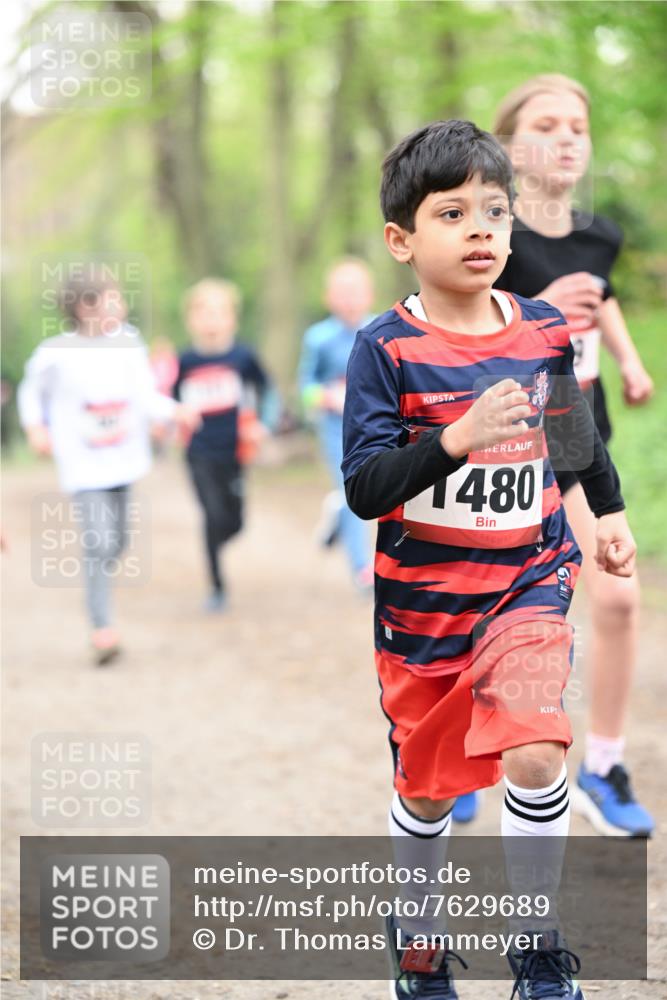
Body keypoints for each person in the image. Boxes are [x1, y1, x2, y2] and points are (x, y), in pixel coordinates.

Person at [342, 119, 636, 1000]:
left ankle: (535, 946)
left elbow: (573, 436)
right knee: (429, 794)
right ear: (401, 239)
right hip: (424, 611)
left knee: (539, 750)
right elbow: (365, 485)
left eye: (495, 211)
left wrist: (609, 515)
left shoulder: (543, 330)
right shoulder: (383, 349)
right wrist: (455, 439)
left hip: (527, 580)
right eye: (452, 212)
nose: (480, 228)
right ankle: (419, 940)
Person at [489, 74, 654, 837]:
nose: (565, 138)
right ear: (509, 144)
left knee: (617, 599)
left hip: (578, 443)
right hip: (500, 456)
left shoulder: (597, 233)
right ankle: (459, 756)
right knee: (486, 616)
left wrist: (625, 361)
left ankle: (603, 765)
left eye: (577, 127)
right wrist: (541, 311)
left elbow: (601, 292)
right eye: (546, 124)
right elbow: (462, 336)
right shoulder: (486, 235)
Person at [18, 266, 198, 665]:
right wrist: (35, 428)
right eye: (112, 297)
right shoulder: (55, 354)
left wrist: (174, 411)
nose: (122, 304)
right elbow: (30, 391)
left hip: (123, 461)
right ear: (85, 307)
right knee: (98, 542)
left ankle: (98, 580)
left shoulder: (129, 343)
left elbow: (144, 394)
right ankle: (102, 628)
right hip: (82, 468)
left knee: (117, 542)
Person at [174, 278, 275, 613]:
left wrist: (264, 424)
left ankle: (217, 543)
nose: (211, 320)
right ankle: (217, 586)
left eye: (219, 313)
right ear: (191, 320)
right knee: (211, 514)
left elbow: (269, 392)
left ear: (232, 318)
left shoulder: (243, 356)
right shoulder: (185, 361)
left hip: (234, 450)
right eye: (203, 313)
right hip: (198, 451)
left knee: (234, 522)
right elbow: (169, 399)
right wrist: (169, 421)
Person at [298, 258, 375, 591]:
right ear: (328, 298)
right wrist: (326, 397)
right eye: (342, 293)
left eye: (355, 292)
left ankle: (336, 518)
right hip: (334, 427)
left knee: (374, 489)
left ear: (369, 295)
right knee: (352, 489)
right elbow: (305, 388)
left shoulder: (379, 330)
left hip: (374, 424)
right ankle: (362, 569)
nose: (349, 299)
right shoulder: (318, 338)